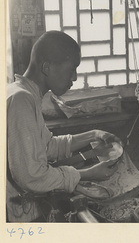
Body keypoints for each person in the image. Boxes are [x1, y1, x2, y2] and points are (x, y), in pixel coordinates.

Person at [7, 30, 121, 222]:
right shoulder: (21, 100)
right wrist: (86, 174)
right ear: (46, 67)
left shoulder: (23, 93)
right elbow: (31, 176)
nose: (75, 77)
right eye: (72, 69)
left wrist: (94, 134)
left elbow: (48, 146)